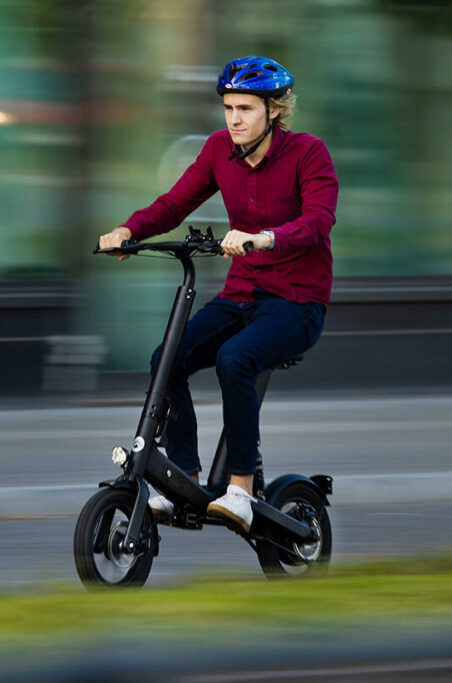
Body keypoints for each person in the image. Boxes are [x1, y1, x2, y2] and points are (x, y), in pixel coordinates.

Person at [97, 56, 339, 532]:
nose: (234, 119)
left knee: (235, 359)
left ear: (274, 110)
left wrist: (262, 237)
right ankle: (182, 479)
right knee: (167, 357)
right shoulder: (217, 151)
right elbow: (174, 204)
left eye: (246, 108)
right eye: (228, 107)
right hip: (241, 295)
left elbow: (318, 222)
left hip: (296, 302)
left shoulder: (309, 153)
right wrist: (129, 230)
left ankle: (242, 490)